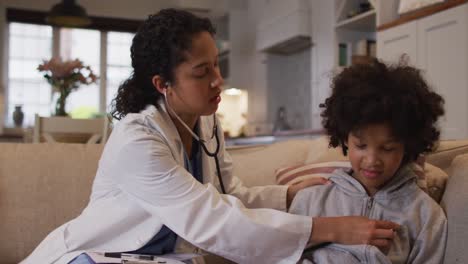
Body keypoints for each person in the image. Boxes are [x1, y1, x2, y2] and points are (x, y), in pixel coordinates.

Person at [21, 9, 400, 264]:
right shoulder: (137, 141)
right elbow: (211, 219)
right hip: (95, 256)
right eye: (202, 72)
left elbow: (226, 195)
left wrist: (288, 194)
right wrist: (331, 228)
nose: (219, 81)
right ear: (163, 84)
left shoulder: (204, 122)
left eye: (217, 65)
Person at [289, 58, 447, 263]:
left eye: (387, 148)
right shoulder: (310, 201)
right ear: (345, 137)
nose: (372, 160)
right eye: (361, 146)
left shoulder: (426, 215)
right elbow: (283, 255)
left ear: (407, 145)